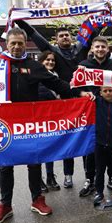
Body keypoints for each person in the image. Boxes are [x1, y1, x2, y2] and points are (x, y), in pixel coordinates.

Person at [0, 28, 93, 223]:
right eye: (13, 43)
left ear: (25, 44)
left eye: (20, 43)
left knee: (34, 162)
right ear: (7, 44)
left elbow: (56, 84)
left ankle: (37, 199)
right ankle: (5, 205)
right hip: (5, 124)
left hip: (30, 125)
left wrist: (79, 94)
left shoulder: (34, 66)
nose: (17, 47)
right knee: (5, 165)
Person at [15, 20, 92, 188]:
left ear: (71, 38)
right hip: (63, 106)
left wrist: (101, 16)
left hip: (82, 103)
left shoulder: (81, 48)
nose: (65, 37)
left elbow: (93, 30)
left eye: (67, 35)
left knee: (85, 140)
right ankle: (66, 176)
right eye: (61, 36)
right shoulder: (53, 53)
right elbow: (36, 36)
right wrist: (21, 21)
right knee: (65, 142)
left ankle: (89, 176)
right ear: (56, 40)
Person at [77, 36, 112, 198]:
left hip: (110, 112)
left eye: (103, 47)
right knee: (90, 149)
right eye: (97, 47)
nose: (100, 50)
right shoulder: (83, 66)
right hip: (90, 113)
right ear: (92, 48)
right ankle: (90, 180)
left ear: (107, 49)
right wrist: (81, 91)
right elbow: (74, 86)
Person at [37, 50, 61, 191]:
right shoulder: (37, 77)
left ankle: (50, 177)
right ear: (41, 62)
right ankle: (39, 180)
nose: (50, 62)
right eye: (47, 60)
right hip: (39, 119)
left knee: (50, 149)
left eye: (52, 60)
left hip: (52, 118)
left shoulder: (56, 77)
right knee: (40, 150)